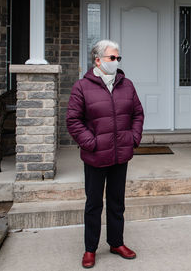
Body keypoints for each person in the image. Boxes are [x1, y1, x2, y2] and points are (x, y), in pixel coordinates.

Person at [66, 40, 144, 268]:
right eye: (112, 58)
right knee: (93, 204)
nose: (116, 62)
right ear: (98, 60)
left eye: (118, 58)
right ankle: (90, 249)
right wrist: (91, 143)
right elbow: (73, 120)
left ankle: (116, 242)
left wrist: (133, 138)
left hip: (121, 154)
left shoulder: (126, 85)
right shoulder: (82, 86)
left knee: (117, 202)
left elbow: (138, 114)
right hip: (95, 156)